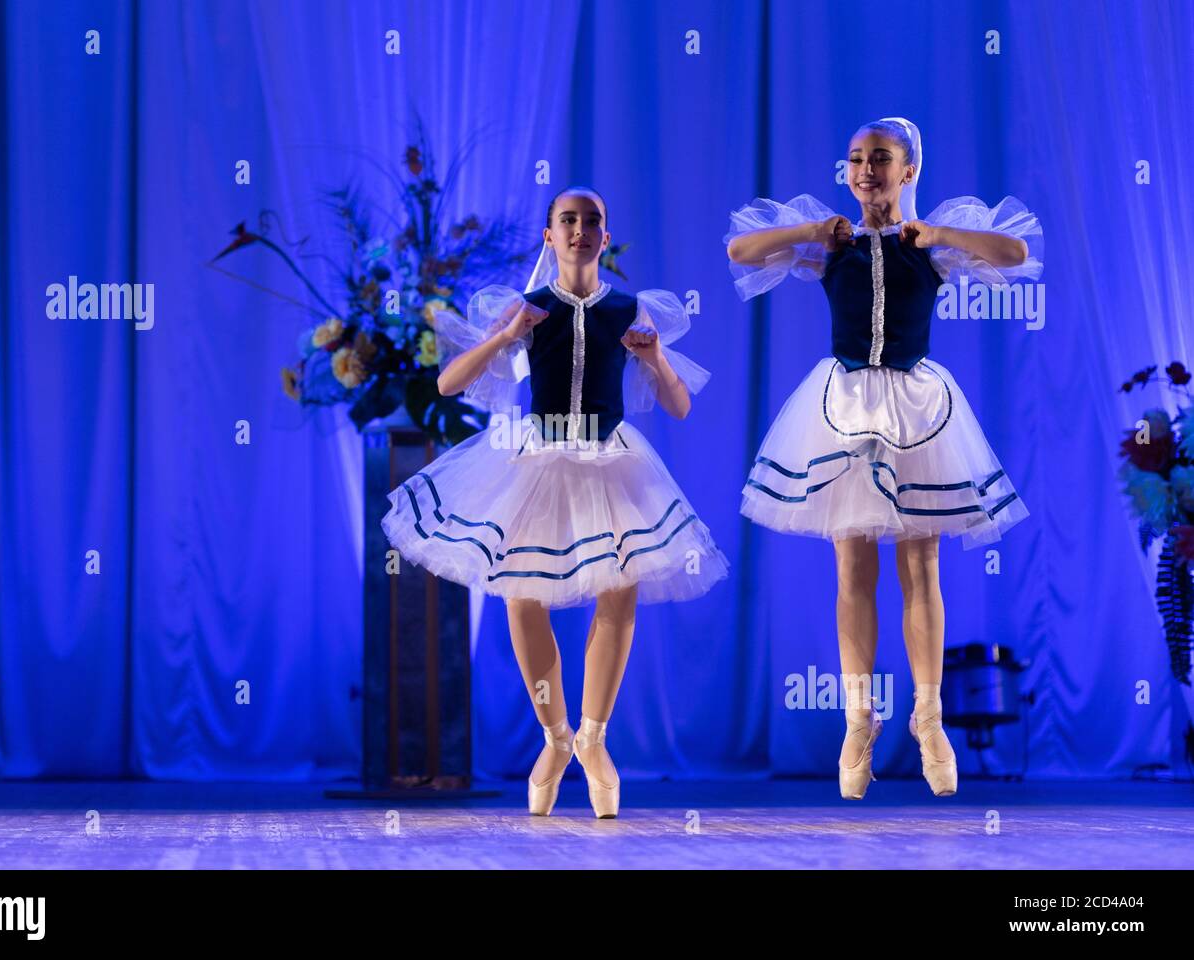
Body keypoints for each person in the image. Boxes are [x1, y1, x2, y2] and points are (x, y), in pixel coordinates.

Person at [723, 118, 1043, 799]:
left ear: (909, 170)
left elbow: (1014, 251)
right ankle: (858, 719)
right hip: (841, 409)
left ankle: (929, 719)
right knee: (852, 567)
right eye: (856, 159)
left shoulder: (927, 244)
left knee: (921, 566)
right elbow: (743, 249)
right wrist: (811, 232)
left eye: (881, 159)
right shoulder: (830, 244)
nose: (866, 169)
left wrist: (942, 235)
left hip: (917, 409)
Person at [382, 186, 728, 817]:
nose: (578, 230)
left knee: (619, 593)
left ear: (605, 233)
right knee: (522, 596)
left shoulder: (628, 309)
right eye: (566, 221)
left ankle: (595, 740)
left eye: (590, 220)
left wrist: (654, 359)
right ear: (549, 236)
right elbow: (448, 381)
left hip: (610, 461)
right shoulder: (529, 308)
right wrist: (506, 336)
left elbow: (678, 405)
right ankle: (555, 737)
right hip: (535, 458)